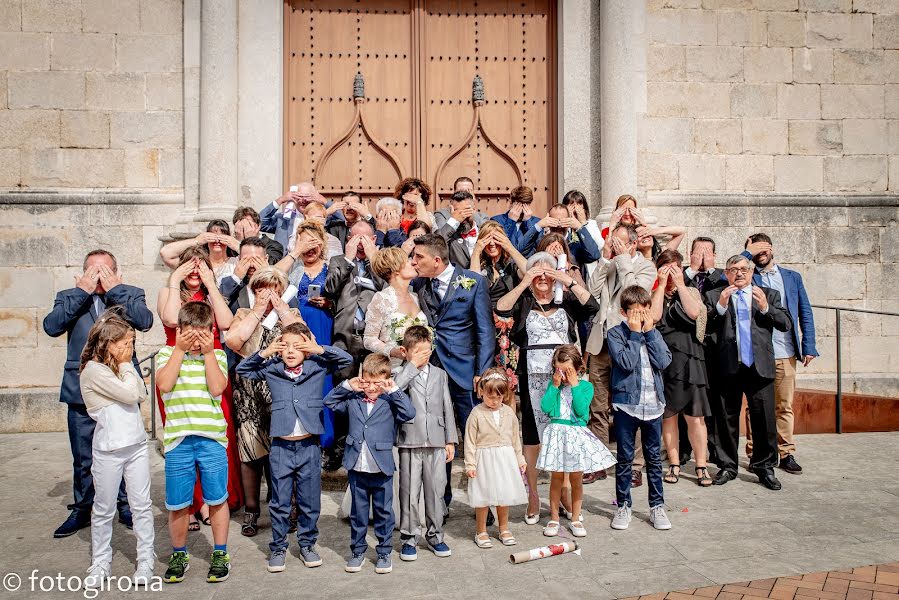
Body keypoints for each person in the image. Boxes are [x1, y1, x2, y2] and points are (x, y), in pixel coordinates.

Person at [43, 249, 154, 538]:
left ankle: (124, 504)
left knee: (123, 447)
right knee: (83, 455)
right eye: (93, 270)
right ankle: (83, 508)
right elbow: (51, 326)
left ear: (117, 272)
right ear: (81, 273)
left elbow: (144, 320)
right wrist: (82, 292)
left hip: (119, 388)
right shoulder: (69, 295)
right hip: (81, 388)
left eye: (105, 271)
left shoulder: (130, 293)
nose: (99, 276)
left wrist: (115, 289)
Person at [236, 321, 353, 573]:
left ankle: (308, 544)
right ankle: (278, 547)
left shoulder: (317, 365)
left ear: (305, 348)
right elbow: (244, 368)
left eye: (296, 346)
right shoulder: (272, 368)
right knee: (279, 501)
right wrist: (265, 353)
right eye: (285, 345)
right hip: (281, 447)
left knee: (309, 500)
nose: (290, 351)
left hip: (309, 445)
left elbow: (345, 360)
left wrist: (318, 348)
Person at [496, 251, 598, 525]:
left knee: (565, 431)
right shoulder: (525, 300)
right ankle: (532, 495)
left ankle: (564, 492)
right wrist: (523, 282)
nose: (542, 276)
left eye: (547, 271)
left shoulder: (564, 301)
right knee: (533, 437)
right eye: (537, 271)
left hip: (566, 373)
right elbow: (502, 309)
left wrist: (568, 281)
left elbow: (593, 307)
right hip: (533, 375)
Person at [156, 246, 242, 525]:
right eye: (189, 266)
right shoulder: (168, 292)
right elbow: (170, 319)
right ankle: (189, 504)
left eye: (200, 265)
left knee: (215, 434)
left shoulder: (210, 294)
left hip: (211, 363)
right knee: (183, 439)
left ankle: (211, 501)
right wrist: (173, 280)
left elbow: (227, 322)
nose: (194, 270)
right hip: (177, 368)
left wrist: (210, 284)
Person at [410, 234, 495, 509]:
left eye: (418, 257)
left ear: (436, 260)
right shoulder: (419, 284)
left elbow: (485, 331)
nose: (414, 262)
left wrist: (481, 372)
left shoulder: (473, 282)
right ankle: (440, 502)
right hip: (431, 370)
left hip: (465, 372)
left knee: (474, 438)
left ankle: (483, 502)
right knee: (438, 440)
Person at [156, 302, 232, 584]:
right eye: (190, 333)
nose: (196, 339)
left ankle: (220, 553)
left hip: (211, 438)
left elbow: (216, 388)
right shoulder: (167, 353)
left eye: (203, 333)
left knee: (216, 498)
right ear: (179, 331)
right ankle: (179, 554)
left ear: (211, 332)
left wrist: (209, 353)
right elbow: (164, 384)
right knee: (177, 503)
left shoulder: (218, 356)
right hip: (179, 441)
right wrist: (178, 349)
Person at [224, 267, 304, 536]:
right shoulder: (243, 314)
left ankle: (284, 506)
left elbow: (305, 342)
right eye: (261, 288)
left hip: (279, 393)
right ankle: (251, 510)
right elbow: (234, 341)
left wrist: (282, 312)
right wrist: (257, 312)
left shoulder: (289, 316)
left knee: (279, 454)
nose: (267, 294)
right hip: (248, 393)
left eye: (273, 289)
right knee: (249, 454)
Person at [78, 312, 154, 589]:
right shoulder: (94, 371)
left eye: (132, 341)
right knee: (104, 507)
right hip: (109, 448)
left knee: (141, 505)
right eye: (124, 342)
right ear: (108, 343)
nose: (129, 348)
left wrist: (126, 368)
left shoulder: (123, 366)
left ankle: (145, 559)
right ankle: (100, 562)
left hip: (135, 445)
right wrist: (126, 368)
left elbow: (141, 394)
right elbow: (130, 395)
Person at [704, 255, 792, 490]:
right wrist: (721, 306)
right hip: (728, 366)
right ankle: (727, 466)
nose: (739, 273)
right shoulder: (716, 296)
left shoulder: (768, 294)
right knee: (725, 417)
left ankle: (764, 467)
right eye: (734, 270)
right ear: (727, 274)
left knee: (763, 417)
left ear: (752, 272)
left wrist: (765, 307)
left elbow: (785, 323)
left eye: (744, 269)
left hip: (759, 366)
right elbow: (704, 328)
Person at [324, 353, 416, 575]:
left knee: (384, 512)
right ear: (361, 377)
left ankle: (384, 551)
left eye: (378, 383)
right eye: (368, 382)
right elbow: (329, 401)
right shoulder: (353, 399)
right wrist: (348, 385)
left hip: (382, 467)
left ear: (386, 380)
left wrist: (393, 390)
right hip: (357, 466)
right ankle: (357, 551)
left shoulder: (390, 401)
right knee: (358, 512)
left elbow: (409, 413)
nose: (372, 387)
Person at [583, 224, 656, 486]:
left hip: (628, 341)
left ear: (634, 244)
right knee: (597, 404)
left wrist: (624, 259)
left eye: (620, 243)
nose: (615, 247)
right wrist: (605, 258)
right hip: (600, 342)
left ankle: (635, 465)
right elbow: (591, 292)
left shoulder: (646, 266)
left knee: (633, 404)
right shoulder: (610, 262)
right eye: (613, 242)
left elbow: (633, 295)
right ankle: (600, 461)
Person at [741, 234, 817, 475]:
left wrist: (809, 345)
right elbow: (724, 279)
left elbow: (804, 311)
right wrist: (746, 254)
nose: (760, 255)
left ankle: (786, 453)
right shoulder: (745, 276)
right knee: (754, 406)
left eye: (763, 250)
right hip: (755, 353)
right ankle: (755, 453)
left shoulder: (792, 278)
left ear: (772, 249)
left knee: (784, 405)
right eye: (755, 252)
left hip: (785, 351)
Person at [607, 286, 673, 531]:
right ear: (624, 312)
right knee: (624, 458)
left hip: (653, 405)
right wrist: (635, 334)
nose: (641, 317)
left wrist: (650, 332)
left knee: (654, 459)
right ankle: (623, 505)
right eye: (635, 313)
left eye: (644, 311)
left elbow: (665, 361)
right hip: (627, 406)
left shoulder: (654, 333)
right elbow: (625, 362)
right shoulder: (616, 334)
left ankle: (657, 506)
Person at [536, 345, 615, 538]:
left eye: (567, 370)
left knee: (576, 480)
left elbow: (581, 411)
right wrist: (554, 386)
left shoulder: (586, 386)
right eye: (558, 369)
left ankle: (576, 518)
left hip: (575, 436)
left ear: (578, 369)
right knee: (556, 479)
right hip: (557, 434)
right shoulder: (554, 385)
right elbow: (546, 406)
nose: (562, 375)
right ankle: (554, 518)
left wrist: (575, 385)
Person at [392, 326, 457, 561]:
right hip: (410, 438)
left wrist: (450, 439)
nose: (424, 355)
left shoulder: (440, 374)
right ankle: (409, 538)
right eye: (418, 351)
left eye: (427, 351)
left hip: (437, 439)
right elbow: (394, 391)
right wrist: (411, 366)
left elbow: (447, 406)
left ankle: (436, 536)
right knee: (409, 492)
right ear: (406, 351)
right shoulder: (399, 373)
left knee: (436, 490)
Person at [650, 250, 713, 487]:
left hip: (691, 359)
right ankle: (674, 464)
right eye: (665, 266)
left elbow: (695, 313)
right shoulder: (654, 292)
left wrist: (679, 283)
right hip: (665, 360)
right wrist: (661, 285)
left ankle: (701, 465)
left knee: (696, 418)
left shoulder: (691, 291)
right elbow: (654, 317)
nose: (669, 270)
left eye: (674, 267)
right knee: (669, 417)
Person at [274, 221, 337, 448]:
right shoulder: (293, 268)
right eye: (305, 241)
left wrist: (330, 302)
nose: (310, 248)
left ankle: (326, 440)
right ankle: (299, 434)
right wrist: (295, 252)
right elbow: (272, 276)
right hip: (296, 328)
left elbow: (344, 300)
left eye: (314, 242)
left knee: (323, 380)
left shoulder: (331, 268)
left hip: (323, 326)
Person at [465, 368, 528, 549]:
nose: (495, 401)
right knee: (483, 497)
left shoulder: (509, 413)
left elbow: (516, 439)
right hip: (484, 459)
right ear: (482, 391)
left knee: (503, 496)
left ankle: (504, 528)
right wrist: (470, 463)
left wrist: (520, 459)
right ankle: (481, 530)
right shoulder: (476, 414)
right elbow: (469, 441)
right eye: (491, 396)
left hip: (504, 459)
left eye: (499, 397)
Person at [325, 220, 384, 382]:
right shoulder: (337, 261)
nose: (360, 244)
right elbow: (330, 288)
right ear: (348, 239)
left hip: (373, 333)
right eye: (356, 239)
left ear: (373, 240)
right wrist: (349, 260)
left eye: (365, 239)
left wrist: (373, 259)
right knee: (342, 383)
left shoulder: (382, 262)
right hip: (345, 333)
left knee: (373, 382)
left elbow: (385, 287)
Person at [469, 221, 528, 383]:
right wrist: (476, 251)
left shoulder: (510, 266)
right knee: (486, 381)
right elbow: (472, 285)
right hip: (484, 329)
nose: (493, 244)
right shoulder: (481, 266)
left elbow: (529, 273)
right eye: (488, 239)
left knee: (508, 383)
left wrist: (510, 247)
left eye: (497, 239)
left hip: (509, 332)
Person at [160, 219, 239, 282]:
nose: (217, 240)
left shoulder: (236, 262)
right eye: (212, 236)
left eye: (222, 236)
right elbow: (165, 253)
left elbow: (251, 259)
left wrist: (236, 244)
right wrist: (196, 240)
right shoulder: (197, 263)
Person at [260, 182, 325, 252]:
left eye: (308, 197)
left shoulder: (322, 218)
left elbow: (338, 222)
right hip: (284, 260)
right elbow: (260, 223)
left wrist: (324, 201)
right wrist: (281, 200)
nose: (304, 200)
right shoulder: (283, 218)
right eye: (299, 197)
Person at [535, 203, 601, 266]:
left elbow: (594, 255)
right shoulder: (540, 242)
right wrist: (538, 225)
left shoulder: (575, 244)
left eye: (563, 222)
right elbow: (525, 251)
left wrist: (579, 227)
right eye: (555, 222)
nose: (559, 226)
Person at [435, 190, 483, 269]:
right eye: (457, 212)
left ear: (474, 209)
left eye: (466, 210)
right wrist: (453, 220)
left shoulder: (483, 231)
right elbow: (434, 245)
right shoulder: (449, 235)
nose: (462, 216)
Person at [492, 185, 542, 256]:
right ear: (511, 202)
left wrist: (528, 222)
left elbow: (538, 247)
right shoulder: (497, 220)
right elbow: (498, 244)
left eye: (525, 205)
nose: (521, 210)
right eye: (518, 205)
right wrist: (511, 221)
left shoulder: (537, 222)